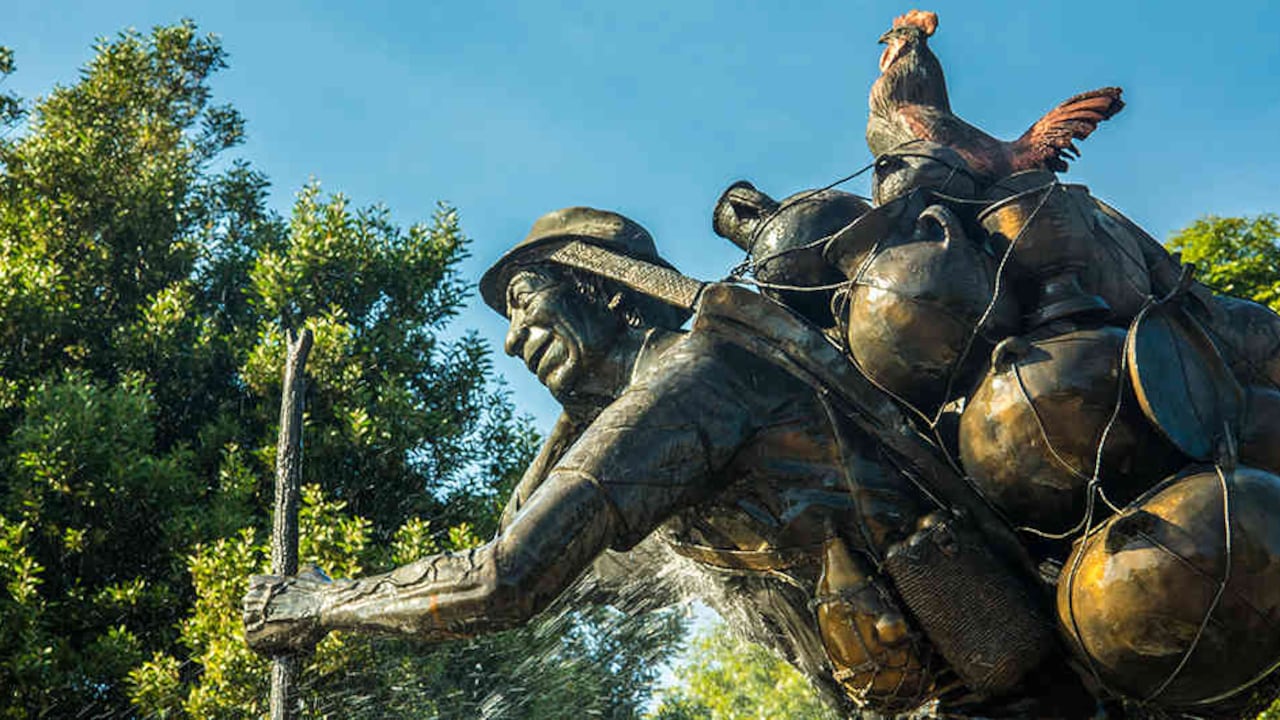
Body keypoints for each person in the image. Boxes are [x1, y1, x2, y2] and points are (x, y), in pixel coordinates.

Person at [242, 207, 1084, 717]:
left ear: (606, 290)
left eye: (528, 301)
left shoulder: (694, 383)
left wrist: (322, 604)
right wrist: (576, 417)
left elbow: (502, 583)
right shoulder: (670, 401)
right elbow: (524, 533)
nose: (509, 339)